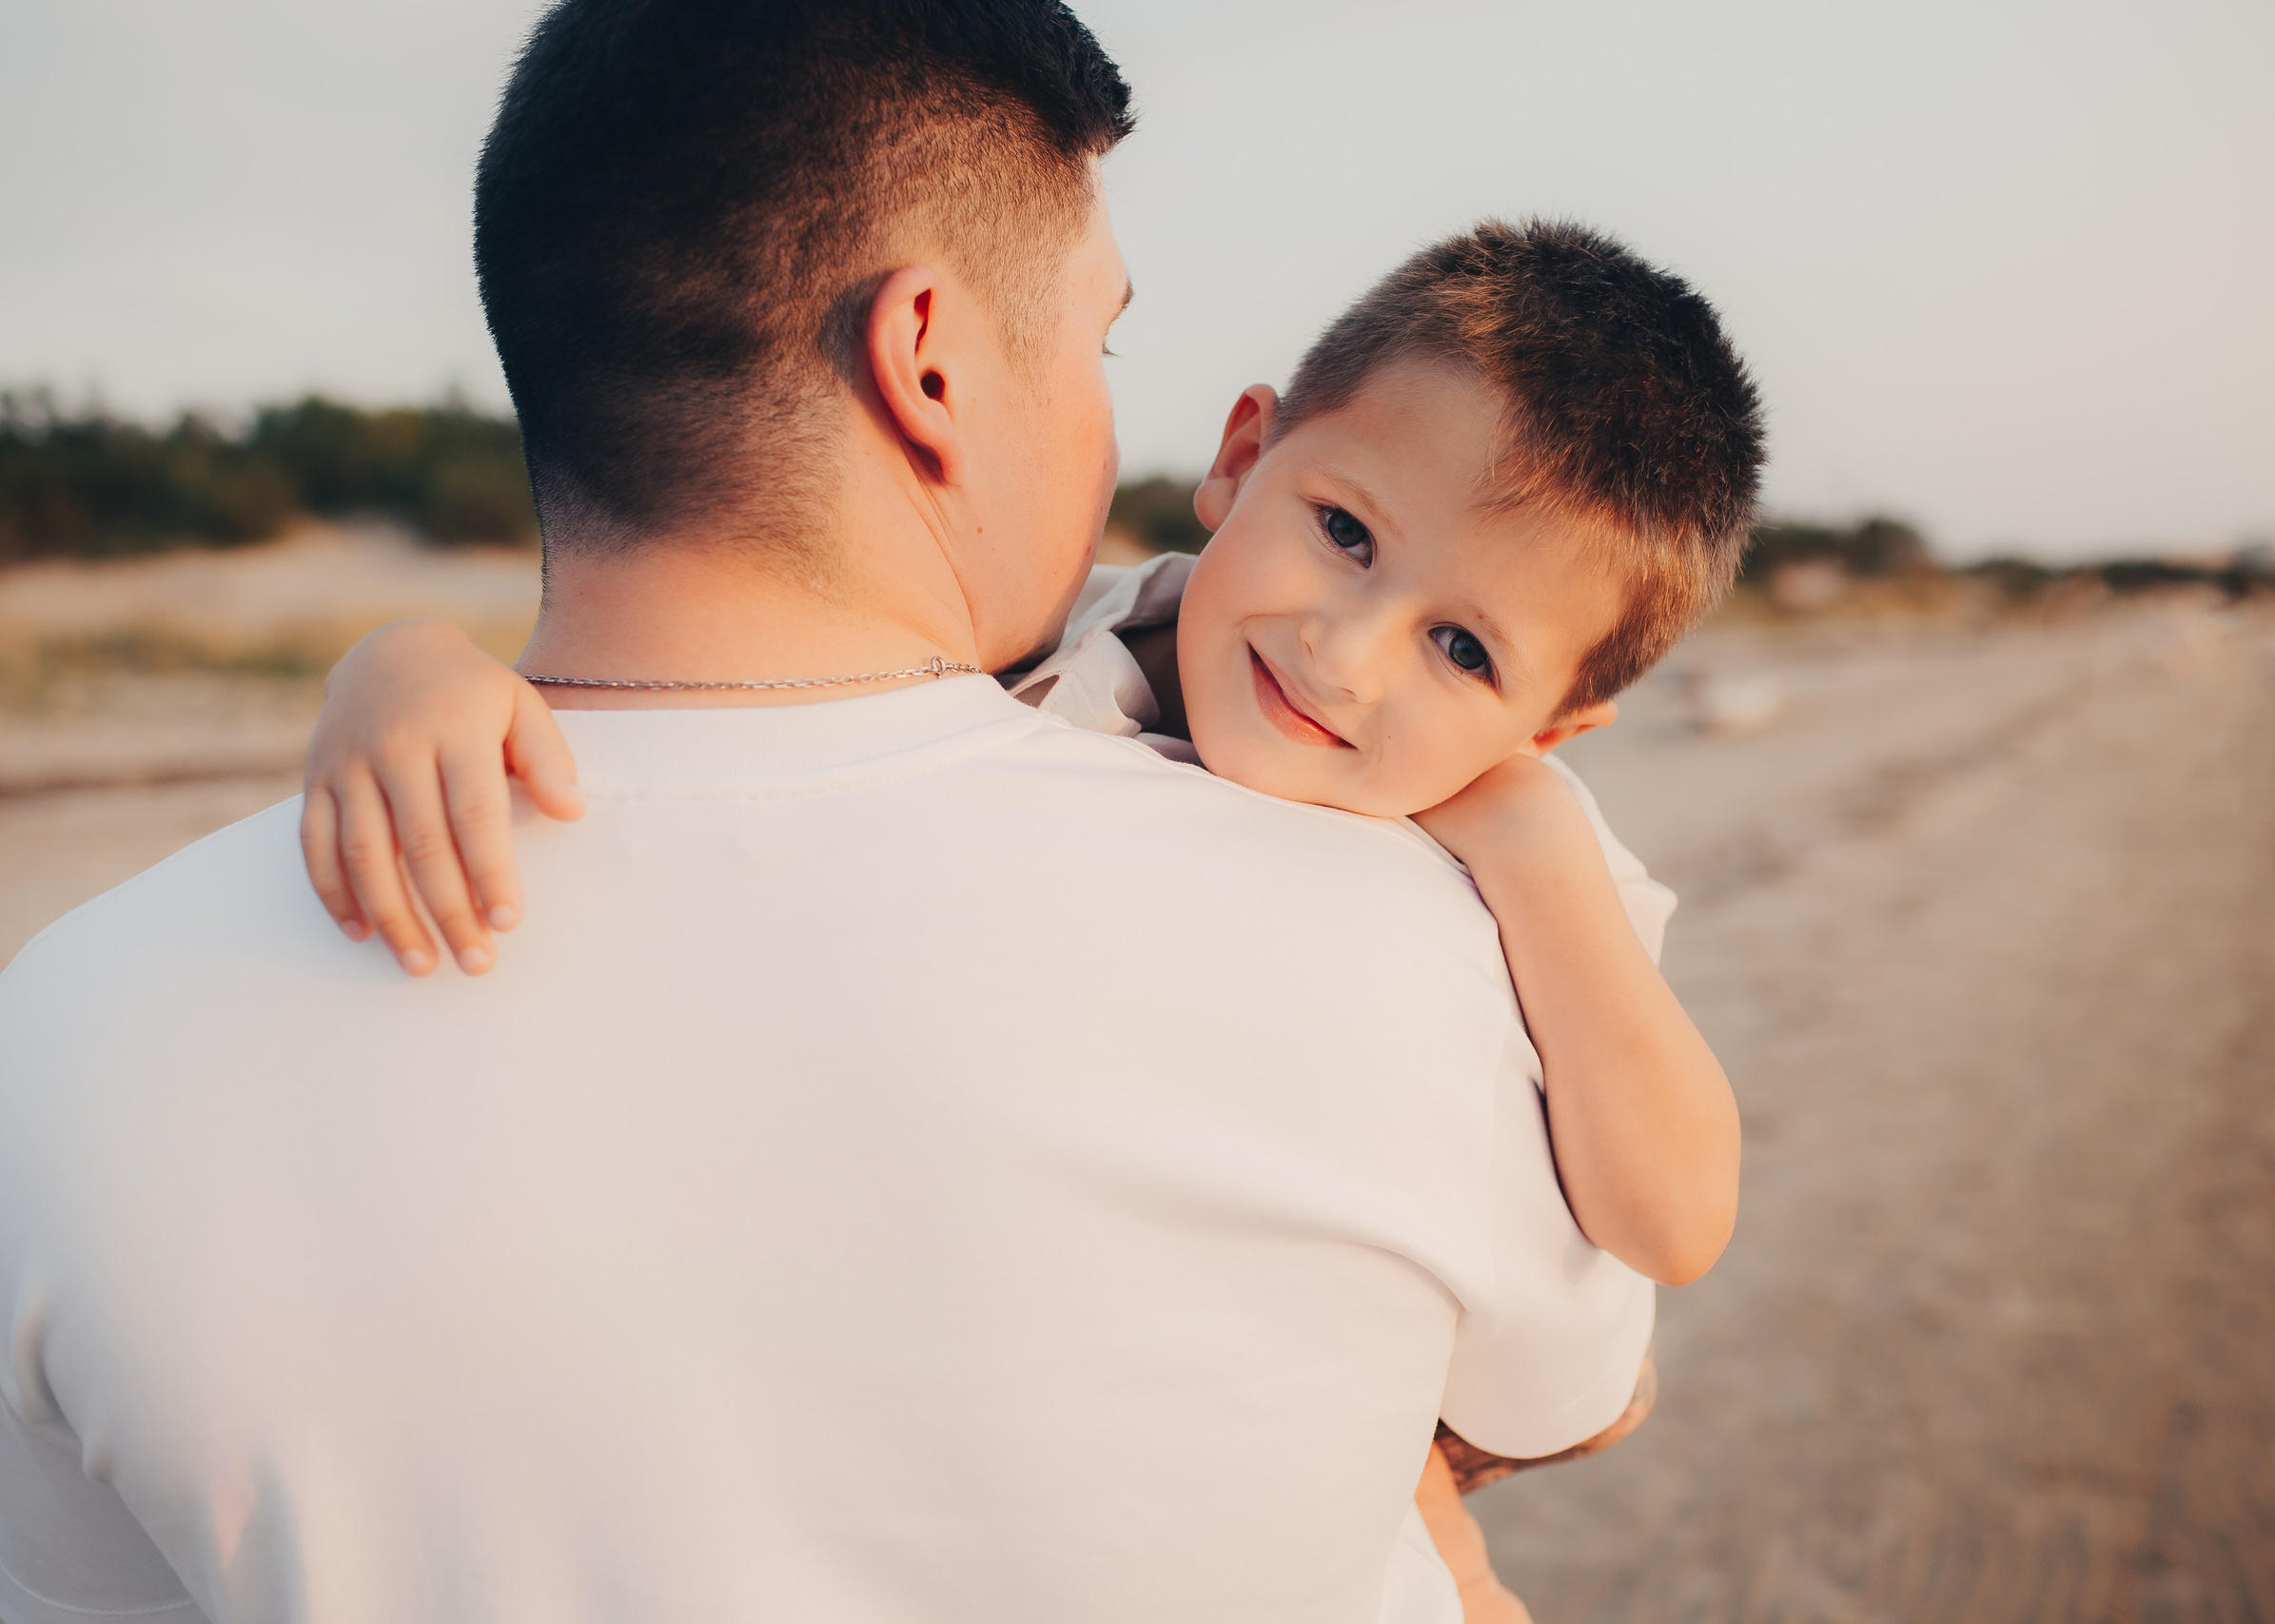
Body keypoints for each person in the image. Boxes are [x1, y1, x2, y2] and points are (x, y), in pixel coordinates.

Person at [0, 8, 1695, 1624]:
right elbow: (1569, 1396)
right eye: (1100, 342)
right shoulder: (1410, 969)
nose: (1345, 644)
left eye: (1461, 644)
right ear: (932, 365)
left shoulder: (58, 1047)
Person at [298, 219, 1761, 1622]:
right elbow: (728, 687)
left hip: (1376, 1432)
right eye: (1344, 532)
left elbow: (1676, 1222)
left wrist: (1530, 844)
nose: (1345, 648)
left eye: (1462, 649)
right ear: (1244, 456)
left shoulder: (1514, 847)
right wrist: (408, 657)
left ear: (1555, 724)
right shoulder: (1045, 637)